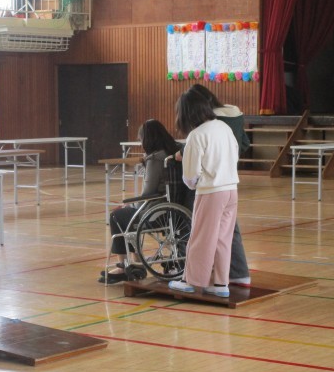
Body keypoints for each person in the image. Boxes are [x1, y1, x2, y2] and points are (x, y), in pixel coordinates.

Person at [168, 88, 239, 298]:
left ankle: (190, 281)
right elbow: (235, 156)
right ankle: (221, 283)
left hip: (211, 192)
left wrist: (194, 184)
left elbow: (190, 175)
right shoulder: (224, 127)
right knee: (222, 239)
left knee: (201, 237)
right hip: (231, 189)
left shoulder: (197, 135)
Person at [99, 119, 182, 284]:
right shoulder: (173, 153)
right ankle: (136, 262)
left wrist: (132, 205)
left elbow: (148, 192)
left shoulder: (155, 159)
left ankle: (124, 265)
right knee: (127, 214)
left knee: (117, 216)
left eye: (140, 138)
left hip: (156, 212)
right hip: (174, 209)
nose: (140, 142)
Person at [190, 83, 251, 286]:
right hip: (230, 179)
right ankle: (226, 280)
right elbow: (244, 143)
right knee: (227, 233)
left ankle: (195, 280)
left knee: (204, 235)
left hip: (212, 183)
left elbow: (195, 161)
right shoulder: (234, 114)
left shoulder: (209, 123)